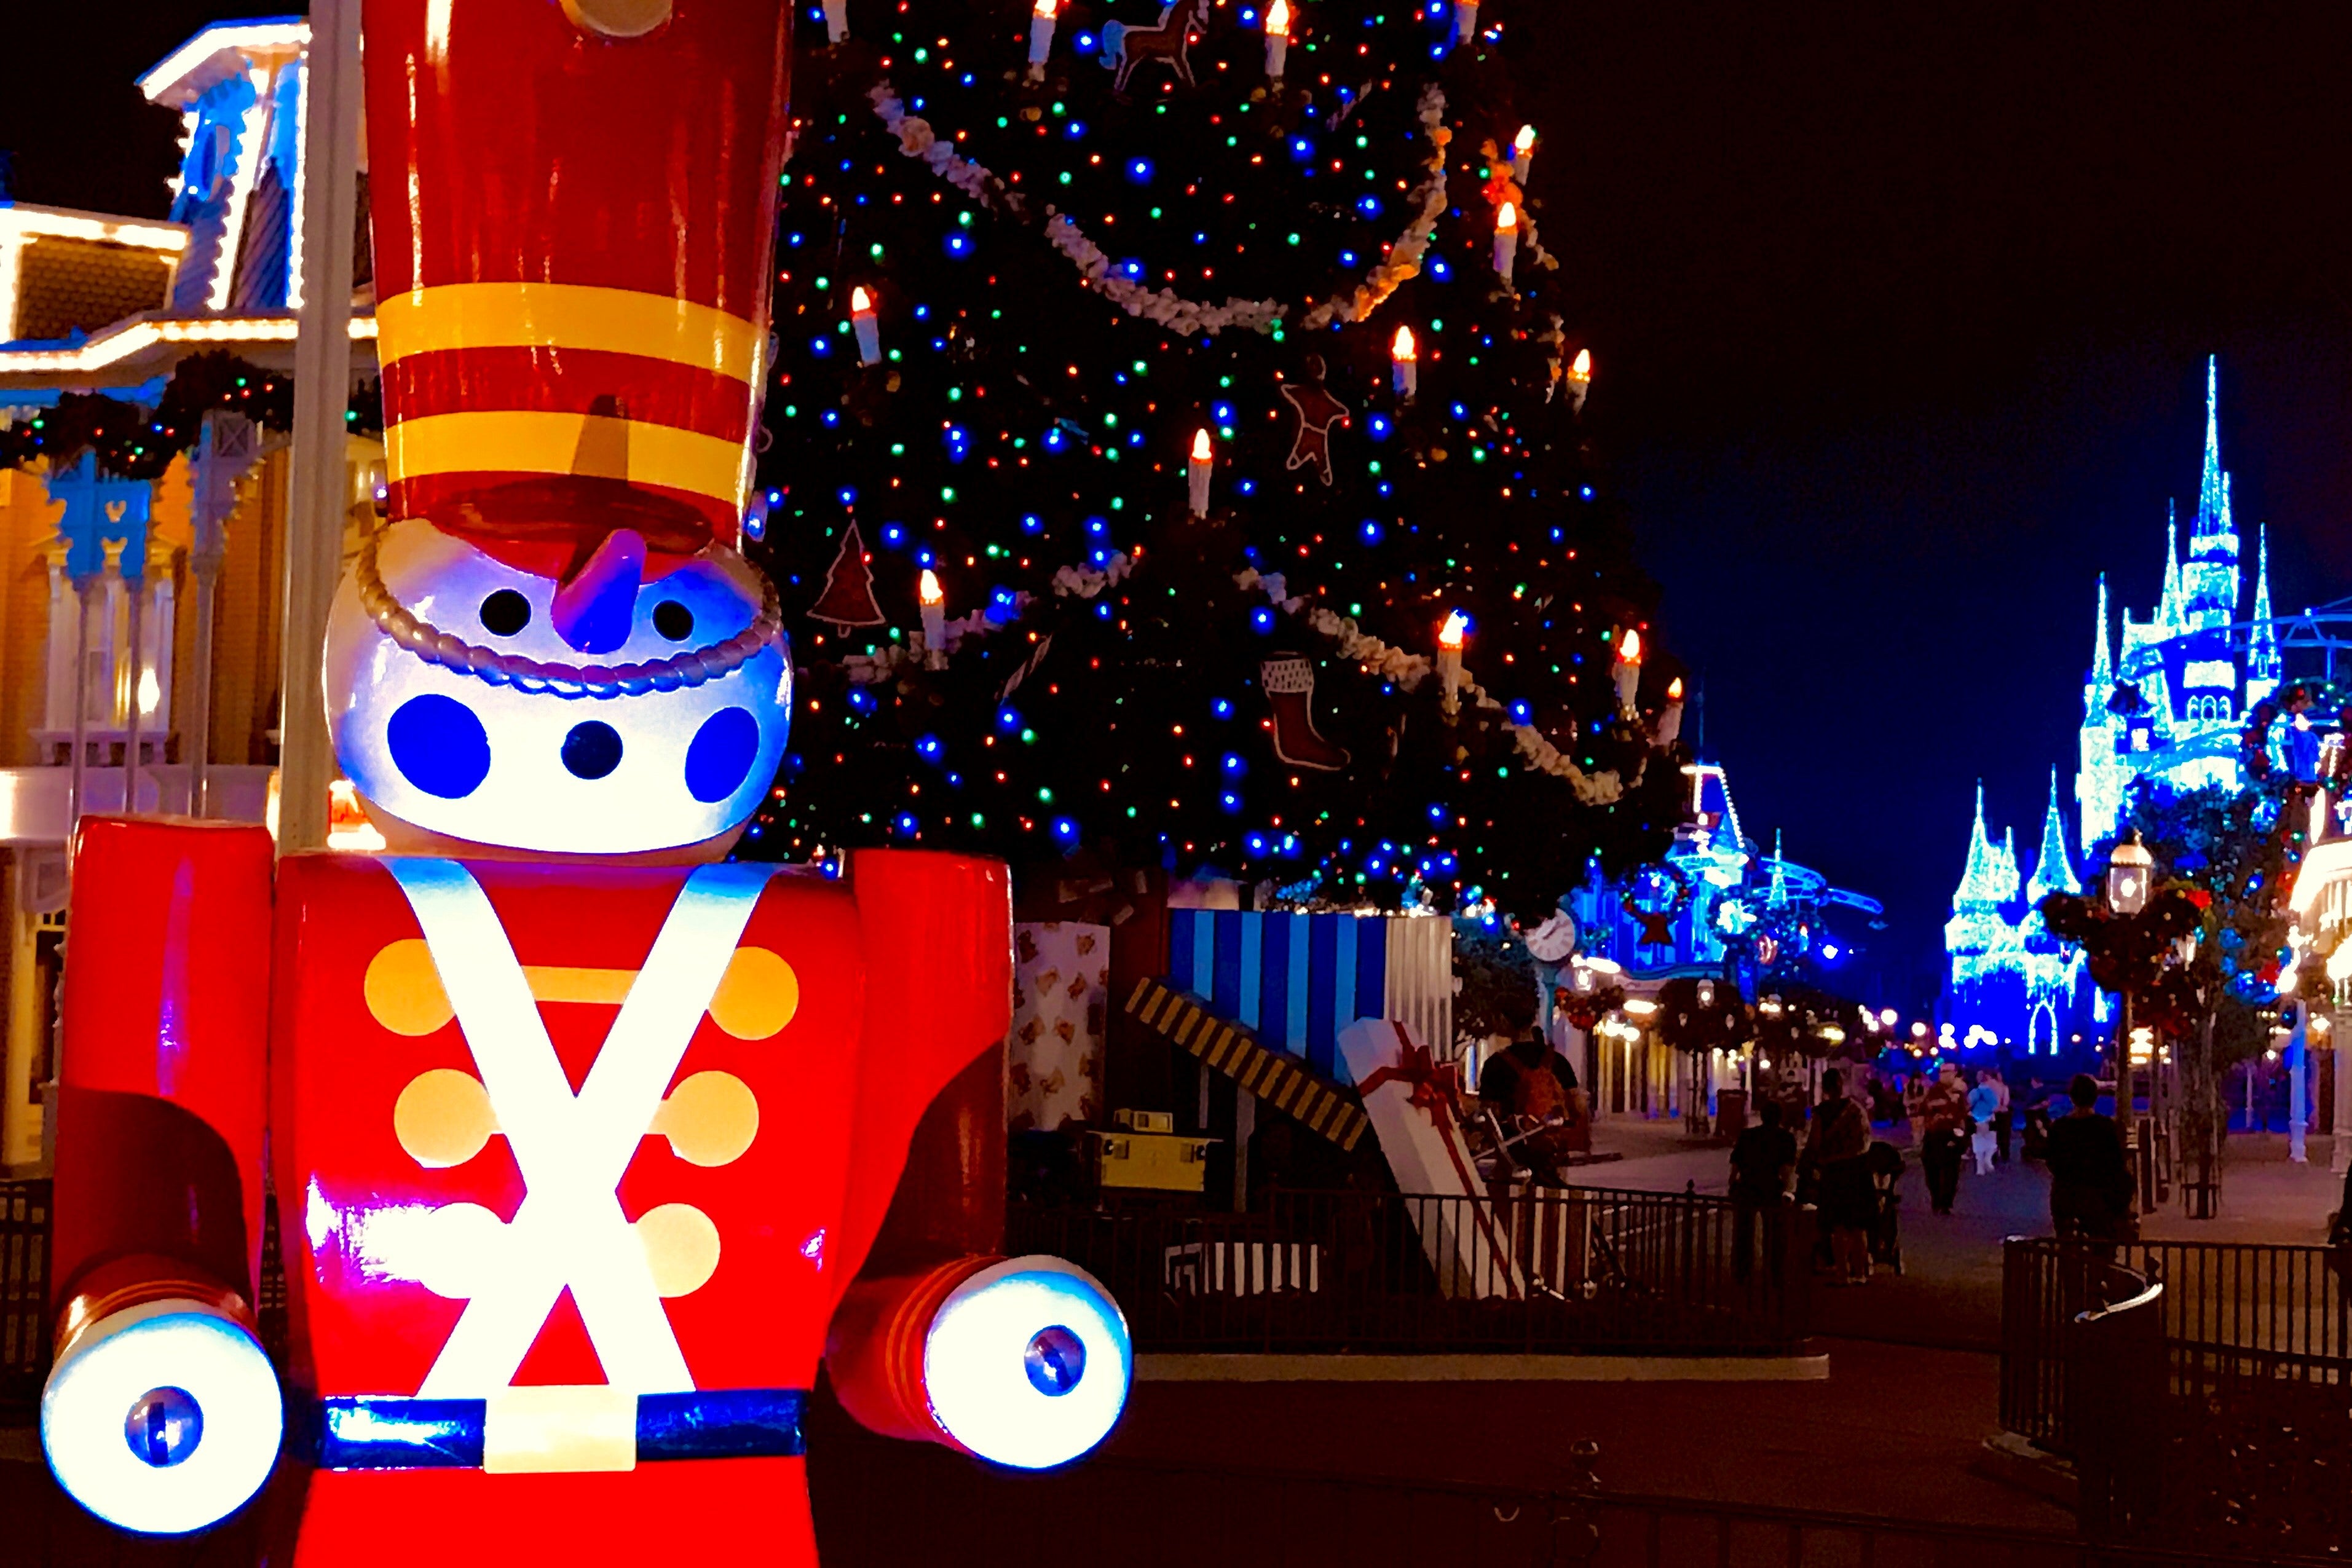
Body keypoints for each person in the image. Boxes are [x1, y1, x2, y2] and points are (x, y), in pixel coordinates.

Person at [1478, 982, 1581, 1185]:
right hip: (1552, 1154)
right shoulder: (1558, 1062)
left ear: (1503, 1020)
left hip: (1513, 1159)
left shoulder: (1495, 1065)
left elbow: (1489, 1117)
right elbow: (1578, 1109)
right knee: (1553, 1209)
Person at [2046, 1072, 2132, 1248]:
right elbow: (2116, 1163)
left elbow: (2052, 1161)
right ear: (2095, 1098)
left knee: (2067, 1245)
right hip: (2098, 1196)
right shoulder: (2106, 1127)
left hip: (2066, 1195)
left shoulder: (2059, 1127)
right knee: (2102, 1245)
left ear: (2072, 1098)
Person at [1804, 1069, 1874, 1284]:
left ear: (1824, 1088)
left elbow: (1815, 1143)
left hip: (1834, 1172)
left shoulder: (1821, 1113)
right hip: (1857, 1170)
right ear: (1842, 1086)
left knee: (1838, 1227)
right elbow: (1866, 1139)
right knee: (1858, 1226)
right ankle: (1861, 1273)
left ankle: (1842, 1273)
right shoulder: (1855, 1110)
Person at [1728, 1099, 1798, 1282]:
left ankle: (1742, 1270)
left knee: (1744, 1230)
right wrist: (1789, 1190)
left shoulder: (1747, 1135)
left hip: (1748, 1186)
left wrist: (1732, 1183)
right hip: (1771, 1187)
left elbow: (1736, 1164)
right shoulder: (1786, 1138)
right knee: (1774, 1231)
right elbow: (1787, 1169)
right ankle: (1775, 1270)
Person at [1917, 1061, 1971, 1215]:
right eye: (1944, 1073)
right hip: (1934, 1134)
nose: (1948, 1076)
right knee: (1932, 1168)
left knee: (1952, 1170)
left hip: (1952, 1134)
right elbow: (1926, 1109)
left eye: (1951, 1073)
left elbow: (1964, 1113)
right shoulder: (1934, 1091)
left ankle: (1946, 1203)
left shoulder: (1960, 1094)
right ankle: (1936, 1199)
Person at [1967, 1070, 2002, 1177]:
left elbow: (1968, 1104)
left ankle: (1980, 1168)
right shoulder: (1991, 1093)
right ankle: (1988, 1160)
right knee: (1991, 1142)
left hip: (1976, 1119)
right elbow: (1996, 1107)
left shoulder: (1974, 1092)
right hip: (1989, 1119)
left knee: (1977, 1143)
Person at [1991, 1066, 2013, 1165]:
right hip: (2002, 1114)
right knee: (2004, 1136)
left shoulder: (1987, 1086)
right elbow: (2006, 1102)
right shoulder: (2004, 1087)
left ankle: (1993, 1157)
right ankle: (2005, 1156)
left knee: (1993, 1136)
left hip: (1991, 1115)